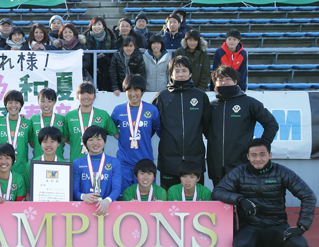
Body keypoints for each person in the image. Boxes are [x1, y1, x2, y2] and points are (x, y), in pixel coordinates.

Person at [212, 138, 315, 247]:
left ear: (270, 155)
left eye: (262, 154)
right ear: (248, 156)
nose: (258, 159)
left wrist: (302, 226)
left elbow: (308, 196)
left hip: (278, 225)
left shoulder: (282, 172)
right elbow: (217, 192)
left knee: (299, 245)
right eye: (253, 155)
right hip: (250, 226)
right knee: (239, 245)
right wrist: (240, 199)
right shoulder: (239, 172)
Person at [207, 66, 278, 186]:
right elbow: (206, 130)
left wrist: (260, 147)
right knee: (221, 201)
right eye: (220, 79)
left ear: (235, 81)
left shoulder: (249, 103)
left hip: (241, 164)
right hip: (217, 166)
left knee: (242, 202)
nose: (224, 82)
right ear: (215, 84)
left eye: (228, 79)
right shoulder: (211, 106)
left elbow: (271, 124)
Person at [152, 57, 210, 191]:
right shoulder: (162, 97)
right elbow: (151, 127)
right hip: (169, 160)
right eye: (177, 71)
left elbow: (208, 127)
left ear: (190, 73)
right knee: (170, 202)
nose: (181, 74)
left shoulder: (201, 96)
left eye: (184, 70)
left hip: (194, 159)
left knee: (196, 201)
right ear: (171, 74)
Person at [111, 75, 161, 190]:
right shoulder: (118, 110)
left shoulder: (152, 110)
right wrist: (120, 137)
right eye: (129, 90)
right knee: (124, 197)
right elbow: (110, 127)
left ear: (142, 91)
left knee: (146, 199)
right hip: (124, 162)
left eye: (136, 90)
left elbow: (160, 131)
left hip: (145, 162)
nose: (133, 94)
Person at [72, 125, 121, 216]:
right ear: (85, 143)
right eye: (90, 140)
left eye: (99, 139)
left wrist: (107, 200)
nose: (95, 143)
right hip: (83, 210)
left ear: (104, 141)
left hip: (107, 209)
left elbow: (117, 188)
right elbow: (74, 191)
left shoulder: (114, 162)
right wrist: (83, 196)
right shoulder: (77, 163)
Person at [65, 82, 118, 163]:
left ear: (94, 96)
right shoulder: (69, 116)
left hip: (98, 162)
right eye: (82, 93)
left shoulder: (103, 115)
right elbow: (64, 138)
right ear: (77, 96)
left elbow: (116, 135)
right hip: (76, 161)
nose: (86, 96)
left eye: (89, 93)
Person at [0, 90, 33, 176]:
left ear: (21, 104)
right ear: (6, 104)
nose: (13, 105)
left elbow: (32, 144)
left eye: (17, 102)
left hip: (21, 168)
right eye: (10, 102)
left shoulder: (28, 123)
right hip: (1, 167)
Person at [24, 126, 64, 199]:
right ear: (40, 143)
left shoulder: (64, 166)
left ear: (58, 143)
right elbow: (28, 192)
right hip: (37, 207)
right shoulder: (31, 165)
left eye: (52, 141)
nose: (48, 145)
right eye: (45, 141)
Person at [30, 87, 68, 160]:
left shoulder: (62, 119)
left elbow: (66, 138)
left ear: (55, 101)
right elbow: (31, 142)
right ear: (38, 101)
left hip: (58, 160)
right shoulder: (33, 119)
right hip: (38, 161)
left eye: (50, 101)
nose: (46, 105)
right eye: (43, 101)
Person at [85, 17, 116, 92]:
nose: (96, 27)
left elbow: (115, 57)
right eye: (94, 25)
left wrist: (105, 60)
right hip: (90, 69)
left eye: (99, 24)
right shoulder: (85, 39)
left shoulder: (111, 38)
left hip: (107, 70)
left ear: (104, 27)